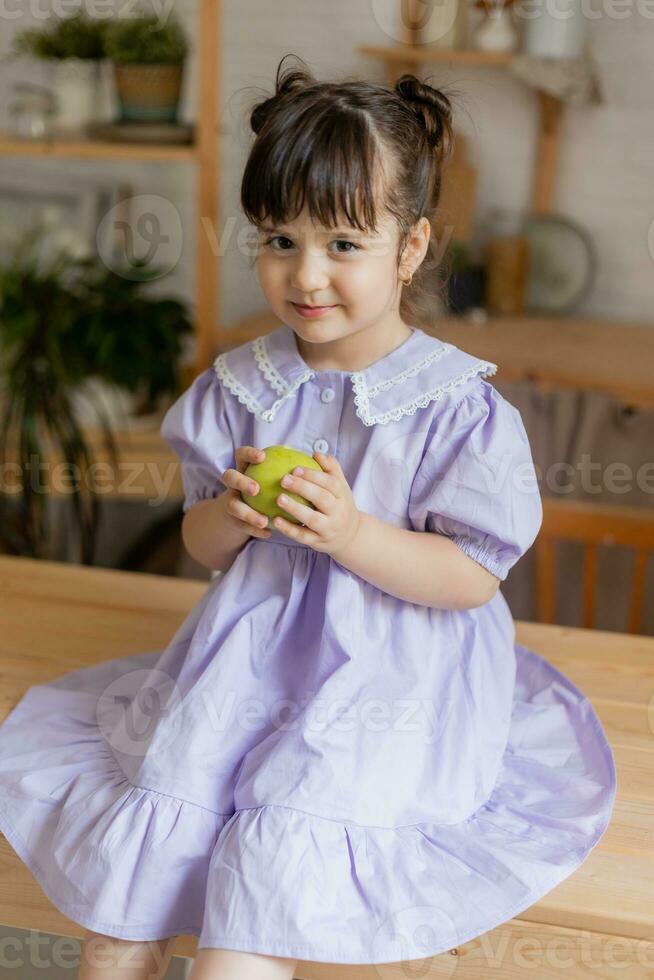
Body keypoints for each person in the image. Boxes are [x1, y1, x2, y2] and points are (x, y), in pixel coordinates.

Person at [0, 55, 616, 980]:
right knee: (116, 926)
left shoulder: (456, 408)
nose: (306, 274)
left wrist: (354, 535)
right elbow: (199, 542)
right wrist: (237, 515)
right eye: (279, 240)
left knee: (248, 928)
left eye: (342, 244)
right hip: (248, 662)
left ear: (409, 249)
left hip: (390, 680)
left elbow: (470, 578)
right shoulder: (244, 386)